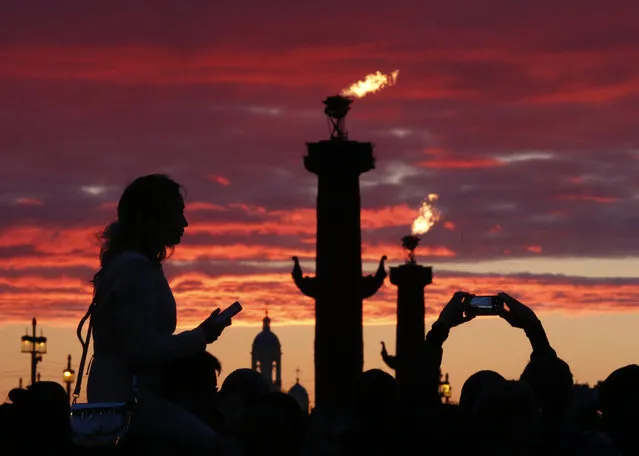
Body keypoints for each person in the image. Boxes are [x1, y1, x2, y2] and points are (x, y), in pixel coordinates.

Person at [84, 174, 232, 455]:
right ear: (153, 217)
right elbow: (141, 349)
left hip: (123, 399)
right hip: (131, 404)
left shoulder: (129, 266)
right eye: (178, 212)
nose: (185, 223)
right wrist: (201, 336)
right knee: (215, 447)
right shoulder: (135, 269)